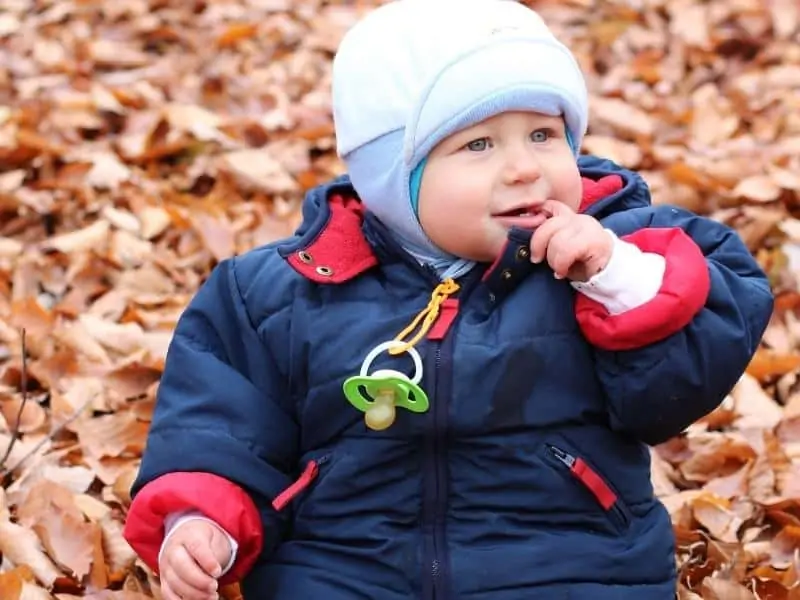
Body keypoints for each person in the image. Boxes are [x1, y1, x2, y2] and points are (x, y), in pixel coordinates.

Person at [122, 0, 774, 598]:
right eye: (479, 144)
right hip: (347, 567)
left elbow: (686, 375)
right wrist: (201, 518)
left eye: (544, 135)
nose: (524, 166)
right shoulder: (283, 292)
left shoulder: (620, 250)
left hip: (571, 564)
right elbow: (222, 425)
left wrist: (613, 276)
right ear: (389, 178)